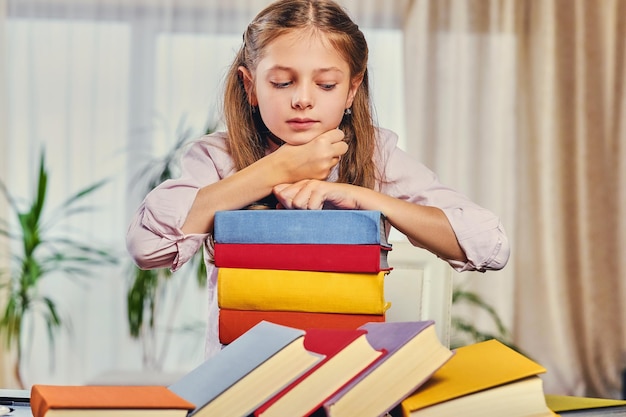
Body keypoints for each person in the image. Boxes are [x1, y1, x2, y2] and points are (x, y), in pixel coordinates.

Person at [126, 0, 510, 357]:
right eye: (281, 82)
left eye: (326, 84)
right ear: (250, 86)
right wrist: (279, 169)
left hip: (345, 377)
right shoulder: (217, 158)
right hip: (240, 383)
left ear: (351, 90)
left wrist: (367, 199)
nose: (303, 99)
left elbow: (489, 244)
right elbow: (146, 246)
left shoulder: (377, 154)